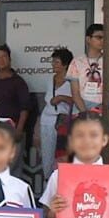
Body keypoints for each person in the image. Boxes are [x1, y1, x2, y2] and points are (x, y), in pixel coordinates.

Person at [40, 48, 76, 180]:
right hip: (48, 120)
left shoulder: (73, 81)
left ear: (65, 64)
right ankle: (48, 184)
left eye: (57, 62)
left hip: (63, 121)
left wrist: (62, 98)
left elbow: (77, 101)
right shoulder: (50, 80)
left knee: (62, 154)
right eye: (53, 62)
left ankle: (61, 183)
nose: (53, 65)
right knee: (47, 154)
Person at [66, 23, 105, 113]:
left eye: (104, 38)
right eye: (98, 37)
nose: (102, 41)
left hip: (103, 108)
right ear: (88, 39)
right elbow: (75, 93)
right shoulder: (77, 61)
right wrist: (84, 113)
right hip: (81, 108)